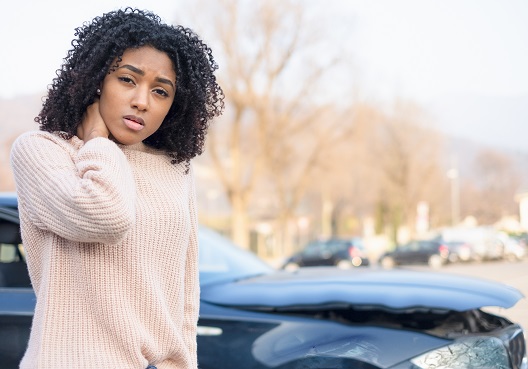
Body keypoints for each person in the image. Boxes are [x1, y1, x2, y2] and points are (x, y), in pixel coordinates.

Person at [10, 8, 224, 369]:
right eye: (127, 79)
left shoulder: (175, 168)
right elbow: (105, 216)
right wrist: (97, 140)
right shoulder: (43, 151)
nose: (142, 101)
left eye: (161, 91)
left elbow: (186, 293)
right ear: (96, 80)